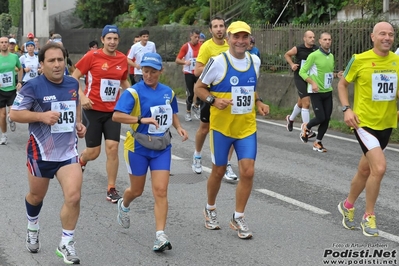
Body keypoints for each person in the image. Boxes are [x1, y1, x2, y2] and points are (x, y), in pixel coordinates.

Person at [9, 42, 86, 264]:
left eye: (60, 60)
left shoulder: (72, 83)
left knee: (74, 196)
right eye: (51, 61)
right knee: (36, 196)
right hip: (40, 153)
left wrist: (79, 124)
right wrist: (41, 117)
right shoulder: (32, 87)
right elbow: (15, 114)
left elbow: (76, 104)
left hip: (67, 153)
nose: (57, 64)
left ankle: (66, 242)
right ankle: (32, 225)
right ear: (41, 64)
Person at [194, 21, 269, 239]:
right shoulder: (218, 62)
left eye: (245, 37)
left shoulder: (254, 61)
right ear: (228, 38)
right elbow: (199, 87)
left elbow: (251, 89)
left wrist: (260, 102)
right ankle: (210, 208)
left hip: (246, 127)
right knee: (218, 171)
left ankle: (238, 217)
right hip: (221, 129)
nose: (240, 41)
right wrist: (212, 100)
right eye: (236, 37)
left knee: (248, 171)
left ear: (249, 40)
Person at [113, 52, 188, 251]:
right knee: (136, 190)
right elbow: (117, 116)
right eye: (145, 71)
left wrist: (178, 127)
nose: (148, 75)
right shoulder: (133, 92)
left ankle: (160, 236)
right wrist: (140, 120)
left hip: (162, 147)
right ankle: (124, 204)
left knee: (161, 191)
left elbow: (171, 113)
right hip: (138, 147)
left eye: (153, 72)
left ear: (160, 71)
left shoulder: (168, 92)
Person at [337, 22, 399, 237]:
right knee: (379, 168)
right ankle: (368, 216)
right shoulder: (359, 59)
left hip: (386, 123)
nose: (387, 37)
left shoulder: (397, 61)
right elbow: (342, 84)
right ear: (372, 37)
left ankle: (347, 205)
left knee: (365, 170)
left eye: (391, 34)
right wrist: (347, 109)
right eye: (382, 33)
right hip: (363, 124)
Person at [72, 25, 130, 203]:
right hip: (93, 110)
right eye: (109, 38)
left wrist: (135, 95)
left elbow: (123, 81)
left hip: (113, 111)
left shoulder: (122, 59)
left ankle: (111, 188)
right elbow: (74, 77)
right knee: (94, 152)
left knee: (113, 148)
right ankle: (81, 159)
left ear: (118, 40)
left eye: (115, 39)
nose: (112, 42)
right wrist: (82, 97)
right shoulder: (92, 56)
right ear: (103, 39)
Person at [192, 16, 238, 182]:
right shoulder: (206, 47)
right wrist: (217, 66)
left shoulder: (231, 45)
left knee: (231, 129)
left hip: (229, 93)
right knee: (205, 128)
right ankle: (197, 155)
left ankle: (226, 164)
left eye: (221, 26)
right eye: (215, 27)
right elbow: (197, 71)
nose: (219, 29)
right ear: (210, 30)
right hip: (210, 93)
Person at [299, 32, 339, 152]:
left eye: (329, 39)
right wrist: (312, 83)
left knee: (326, 119)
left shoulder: (331, 56)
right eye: (325, 39)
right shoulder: (314, 55)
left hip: (328, 91)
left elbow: (328, 73)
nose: (327, 41)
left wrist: (337, 75)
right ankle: (307, 126)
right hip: (315, 91)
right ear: (320, 41)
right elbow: (302, 72)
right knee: (320, 117)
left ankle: (318, 142)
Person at [284, 31, 318, 135]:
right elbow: (287, 55)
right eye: (310, 37)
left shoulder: (316, 49)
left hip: (310, 78)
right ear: (304, 38)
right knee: (306, 102)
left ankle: (290, 119)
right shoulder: (298, 48)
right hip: (299, 77)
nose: (312, 39)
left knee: (301, 102)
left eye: (313, 37)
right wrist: (292, 64)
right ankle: (306, 129)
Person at [175, 29, 202, 122]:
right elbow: (177, 60)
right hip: (189, 73)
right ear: (191, 36)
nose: (197, 39)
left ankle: (196, 106)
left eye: (198, 37)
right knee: (190, 93)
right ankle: (188, 112)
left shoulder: (201, 46)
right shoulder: (186, 47)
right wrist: (185, 62)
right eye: (195, 37)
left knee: (201, 92)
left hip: (198, 72)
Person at [0, 36, 23, 143]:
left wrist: (19, 82)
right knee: (2, 114)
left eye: (6, 42)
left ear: (9, 44)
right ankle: (4, 135)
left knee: (12, 113)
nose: (4, 44)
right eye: (2, 42)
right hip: (0, 90)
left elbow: (20, 68)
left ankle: (12, 119)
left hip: (12, 89)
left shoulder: (14, 57)